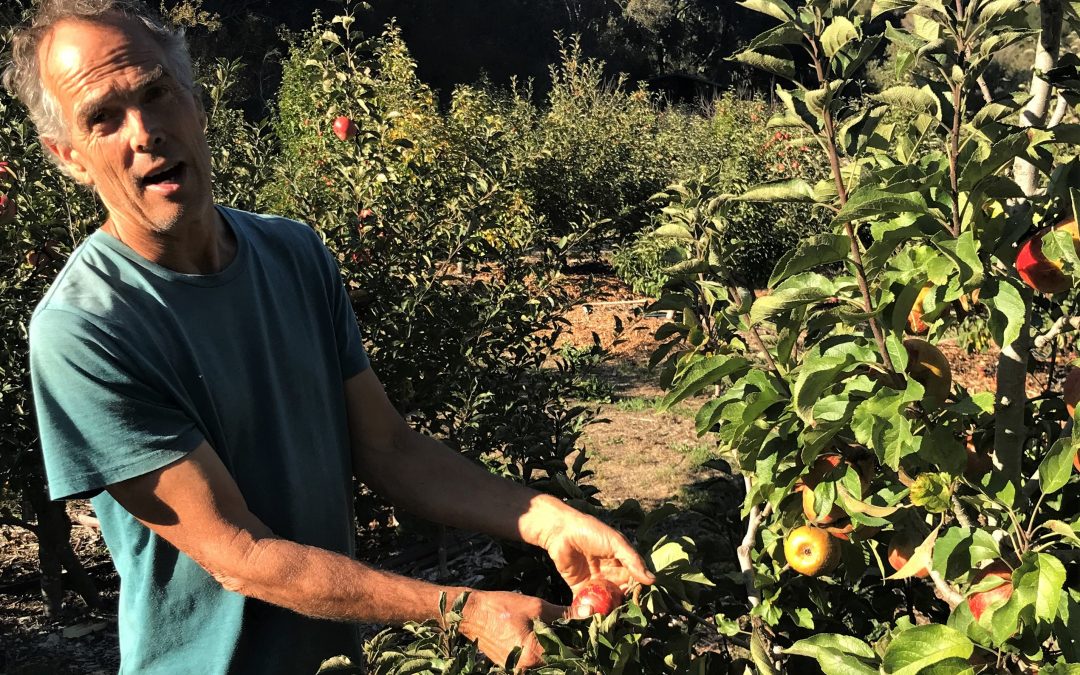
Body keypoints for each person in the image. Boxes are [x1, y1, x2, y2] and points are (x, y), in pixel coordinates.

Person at [4, 1, 654, 672]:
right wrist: (462, 608)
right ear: (69, 157)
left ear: (193, 99)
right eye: (102, 117)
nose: (144, 132)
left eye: (155, 92)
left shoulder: (294, 254)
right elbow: (241, 553)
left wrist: (548, 518)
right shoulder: (86, 330)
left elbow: (390, 448)